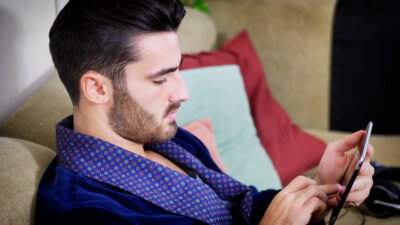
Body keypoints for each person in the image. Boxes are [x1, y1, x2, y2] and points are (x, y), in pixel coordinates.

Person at [35, 0, 375, 224]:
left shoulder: (166, 138)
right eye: (160, 78)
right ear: (96, 88)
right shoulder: (84, 213)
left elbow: (242, 205)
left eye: (177, 70)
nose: (183, 92)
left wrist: (321, 189)